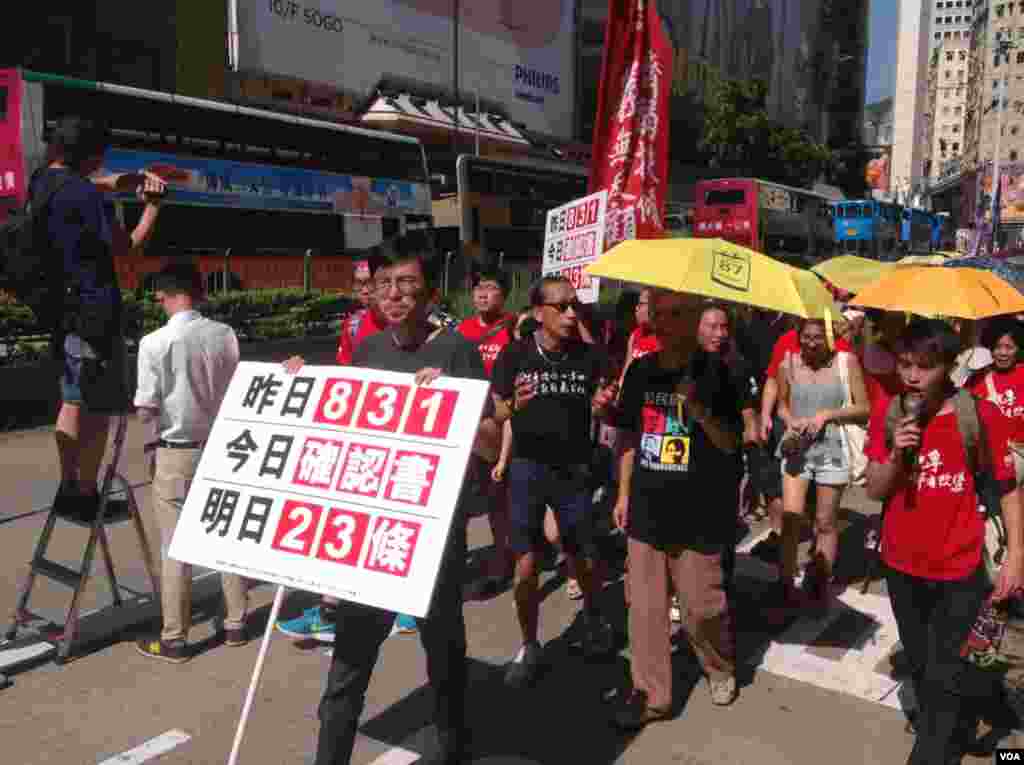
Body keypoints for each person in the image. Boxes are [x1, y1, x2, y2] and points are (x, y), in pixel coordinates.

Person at [289, 242, 499, 765]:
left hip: (433, 536)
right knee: (348, 664)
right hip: (371, 536)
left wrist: (453, 404)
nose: (394, 295)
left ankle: (454, 747)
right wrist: (299, 382)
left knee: (443, 654)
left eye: (406, 283)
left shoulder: (457, 351)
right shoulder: (367, 350)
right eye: (384, 284)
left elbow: (492, 442)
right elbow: (342, 426)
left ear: (429, 292)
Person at [865, 319, 1023, 765]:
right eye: (905, 364)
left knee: (945, 668)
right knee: (920, 661)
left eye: (925, 366)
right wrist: (897, 454)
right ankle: (951, 724)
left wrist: (1016, 555)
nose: (912, 376)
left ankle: (933, 751)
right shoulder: (889, 413)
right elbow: (874, 488)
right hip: (901, 564)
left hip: (959, 565)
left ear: (950, 366)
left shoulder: (980, 415)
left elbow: (1008, 488)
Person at [612, 296, 750, 727]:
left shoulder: (720, 372)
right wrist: (622, 494)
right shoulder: (640, 371)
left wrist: (699, 410)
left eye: (675, 314)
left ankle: (719, 666)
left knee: (702, 607)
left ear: (692, 320)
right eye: (659, 314)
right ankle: (651, 695)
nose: (665, 322)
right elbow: (628, 439)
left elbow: (732, 442)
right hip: (647, 509)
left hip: (700, 512)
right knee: (645, 611)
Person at [30, 117, 165, 523]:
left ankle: (68, 487)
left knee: (72, 401)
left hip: (61, 312)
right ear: (89, 157)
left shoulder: (41, 182)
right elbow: (128, 248)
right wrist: (152, 207)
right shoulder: (87, 198)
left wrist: (116, 182)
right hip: (94, 314)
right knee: (97, 408)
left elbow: (81, 183)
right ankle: (86, 496)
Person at [490, 275, 618, 688]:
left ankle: (594, 618)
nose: (571, 313)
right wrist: (514, 404)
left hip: (574, 468)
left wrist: (602, 404)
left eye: (575, 306)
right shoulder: (515, 354)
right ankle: (529, 644)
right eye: (561, 307)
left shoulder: (588, 356)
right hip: (527, 468)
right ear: (538, 312)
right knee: (526, 564)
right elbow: (496, 412)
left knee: (581, 554)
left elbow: (605, 404)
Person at [276, 254, 396, 642]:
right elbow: (343, 378)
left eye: (370, 282)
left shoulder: (415, 327)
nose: (363, 290)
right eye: (358, 283)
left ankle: (405, 607)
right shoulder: (354, 323)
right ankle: (331, 609)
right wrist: (304, 372)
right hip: (361, 436)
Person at [133, 264, 248, 663]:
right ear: (199, 293)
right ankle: (236, 623)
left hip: (176, 451)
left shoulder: (154, 342)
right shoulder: (224, 334)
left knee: (175, 546)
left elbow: (146, 409)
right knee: (226, 535)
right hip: (223, 446)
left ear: (163, 295)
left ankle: (175, 638)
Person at [774, 319, 870, 614]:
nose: (812, 343)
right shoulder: (787, 364)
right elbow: (782, 405)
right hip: (797, 448)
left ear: (829, 339)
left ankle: (819, 586)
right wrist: (790, 421)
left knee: (825, 522)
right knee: (791, 518)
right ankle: (785, 584)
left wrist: (827, 415)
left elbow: (864, 408)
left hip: (833, 448)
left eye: (818, 338)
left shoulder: (846, 362)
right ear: (799, 337)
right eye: (806, 337)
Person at [457, 267, 517, 592]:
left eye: (491, 287)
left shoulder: (514, 328)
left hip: (501, 427)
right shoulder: (460, 331)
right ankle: (454, 561)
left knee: (498, 498)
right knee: (461, 501)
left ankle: (503, 561)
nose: (482, 293)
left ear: (504, 295)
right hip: (465, 427)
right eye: (478, 287)